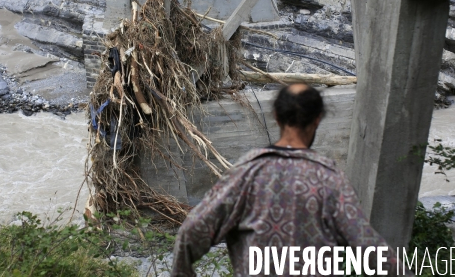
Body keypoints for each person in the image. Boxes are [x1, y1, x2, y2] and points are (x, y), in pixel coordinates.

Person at [171, 84, 401, 276]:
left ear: (276, 117)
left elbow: (190, 233)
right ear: (318, 119)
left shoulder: (245, 173)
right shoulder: (330, 179)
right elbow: (369, 247)